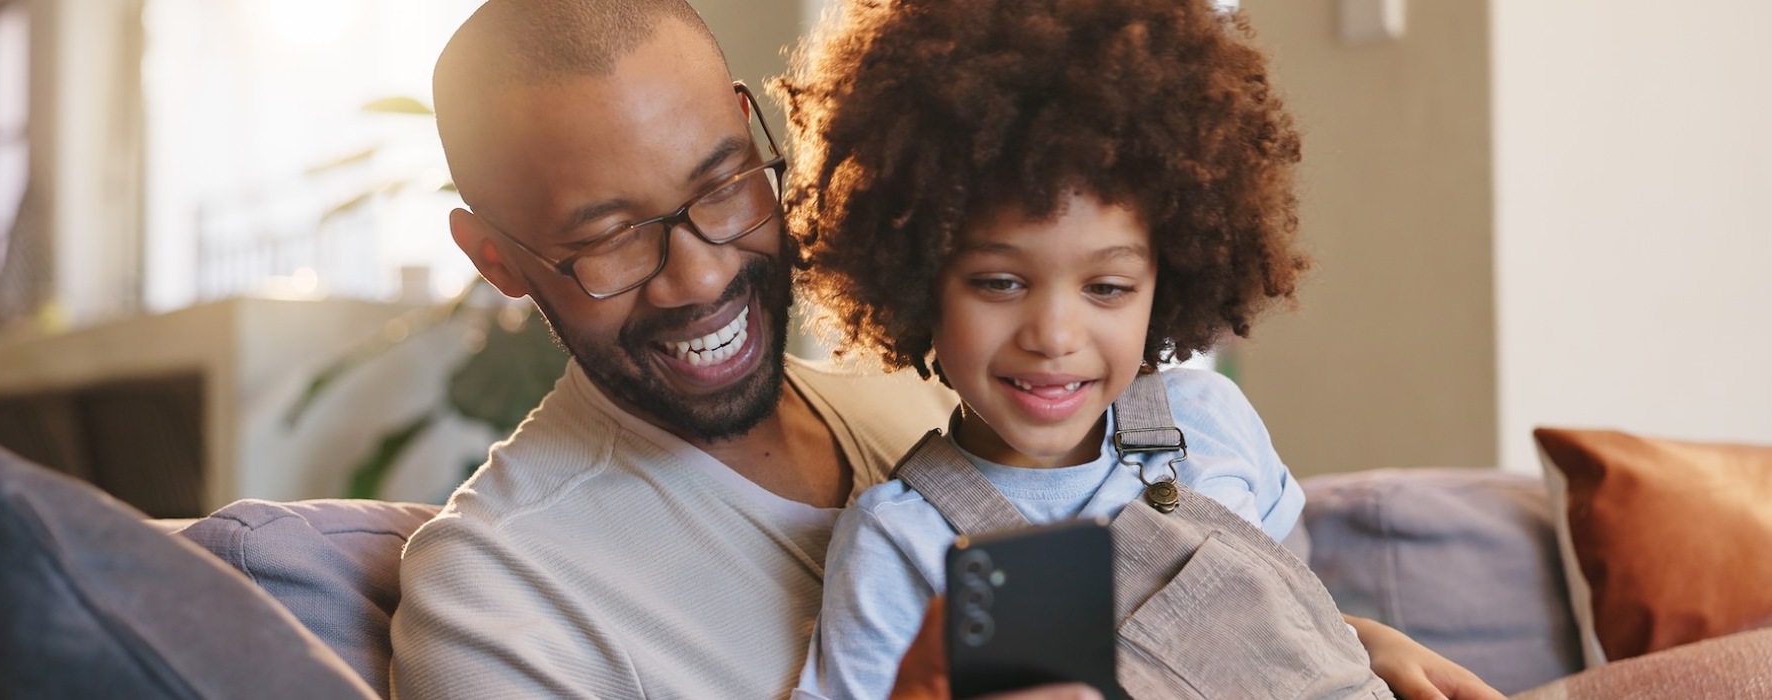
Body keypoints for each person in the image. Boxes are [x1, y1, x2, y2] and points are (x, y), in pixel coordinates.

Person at [394, 0, 1500, 698]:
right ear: (495, 257)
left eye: (723, 186)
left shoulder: (937, 404)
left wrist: (1334, 646)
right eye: (610, 240)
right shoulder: (497, 590)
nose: (701, 274)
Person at [776, 0, 1506, 698]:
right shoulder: (900, 541)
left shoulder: (1211, 421)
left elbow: (1290, 625)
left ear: (1171, 277)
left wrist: (1373, 643)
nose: (1055, 337)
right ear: (913, 277)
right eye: (1000, 282)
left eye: (1109, 288)